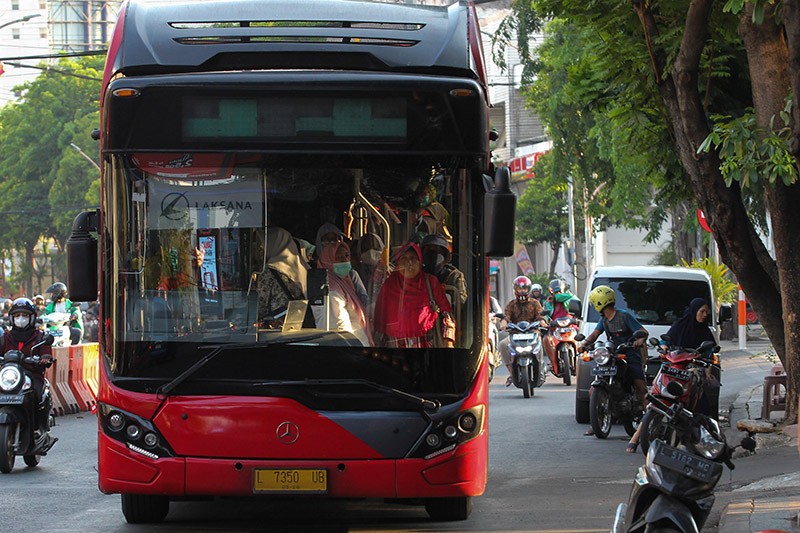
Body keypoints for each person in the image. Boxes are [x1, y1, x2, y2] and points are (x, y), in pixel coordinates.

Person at [626, 297, 717, 452]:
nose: (704, 315)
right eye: (702, 311)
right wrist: (664, 348)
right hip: (673, 367)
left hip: (693, 370)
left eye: (706, 312)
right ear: (694, 311)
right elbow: (665, 342)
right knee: (656, 398)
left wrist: (708, 371)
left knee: (702, 405)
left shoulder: (705, 331)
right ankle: (636, 437)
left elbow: (709, 354)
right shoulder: (679, 325)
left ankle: (701, 440)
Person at [579, 285, 648, 440]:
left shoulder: (623, 316)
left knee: (640, 387)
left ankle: (649, 422)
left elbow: (643, 331)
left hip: (629, 355)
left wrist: (639, 340)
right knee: (592, 390)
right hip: (612, 355)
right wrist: (584, 344)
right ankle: (596, 422)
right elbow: (594, 335)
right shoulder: (603, 320)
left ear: (598, 303)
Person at [373, 242, 455, 348]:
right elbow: (379, 320)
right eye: (404, 259)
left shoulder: (430, 282)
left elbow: (447, 313)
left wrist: (448, 340)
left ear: (420, 262)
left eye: (413, 258)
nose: (409, 263)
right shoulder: (389, 285)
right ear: (398, 263)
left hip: (425, 350)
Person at [4, 298, 53, 436]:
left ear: (32, 318)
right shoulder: (5, 337)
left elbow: (47, 355)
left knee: (34, 394)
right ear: (12, 318)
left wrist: (44, 359)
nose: (21, 319)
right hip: (8, 377)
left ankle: (36, 428)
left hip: (32, 376)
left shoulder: (40, 337)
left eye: (24, 315)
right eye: (17, 315)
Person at [313, 242, 373, 345]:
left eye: (346, 255)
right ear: (328, 261)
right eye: (338, 257)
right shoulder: (332, 291)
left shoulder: (345, 282)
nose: (344, 260)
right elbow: (339, 328)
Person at [256, 227, 310, 328]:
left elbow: (260, 304)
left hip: (275, 326)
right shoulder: (302, 267)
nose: (261, 249)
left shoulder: (268, 271)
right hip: (297, 323)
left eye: (264, 245)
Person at [499, 276, 546, 386]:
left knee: (539, 343)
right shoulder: (511, 304)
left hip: (533, 332)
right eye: (519, 289)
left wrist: (542, 322)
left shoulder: (535, 303)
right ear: (515, 289)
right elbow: (506, 316)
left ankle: (540, 370)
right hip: (515, 334)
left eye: (524, 288)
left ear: (529, 289)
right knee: (502, 344)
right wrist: (503, 323)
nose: (522, 291)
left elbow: (540, 315)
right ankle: (512, 373)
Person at [542, 278, 578, 375]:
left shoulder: (570, 297)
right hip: (555, 328)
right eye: (555, 292)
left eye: (559, 292)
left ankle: (581, 362)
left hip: (571, 326)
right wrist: (545, 321)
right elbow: (545, 314)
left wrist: (577, 319)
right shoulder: (548, 302)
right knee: (546, 339)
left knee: (583, 338)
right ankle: (553, 363)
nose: (557, 294)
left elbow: (578, 305)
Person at [354, 232, 388, 320]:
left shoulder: (388, 270)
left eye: (375, 248)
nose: (370, 252)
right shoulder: (356, 273)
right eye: (366, 249)